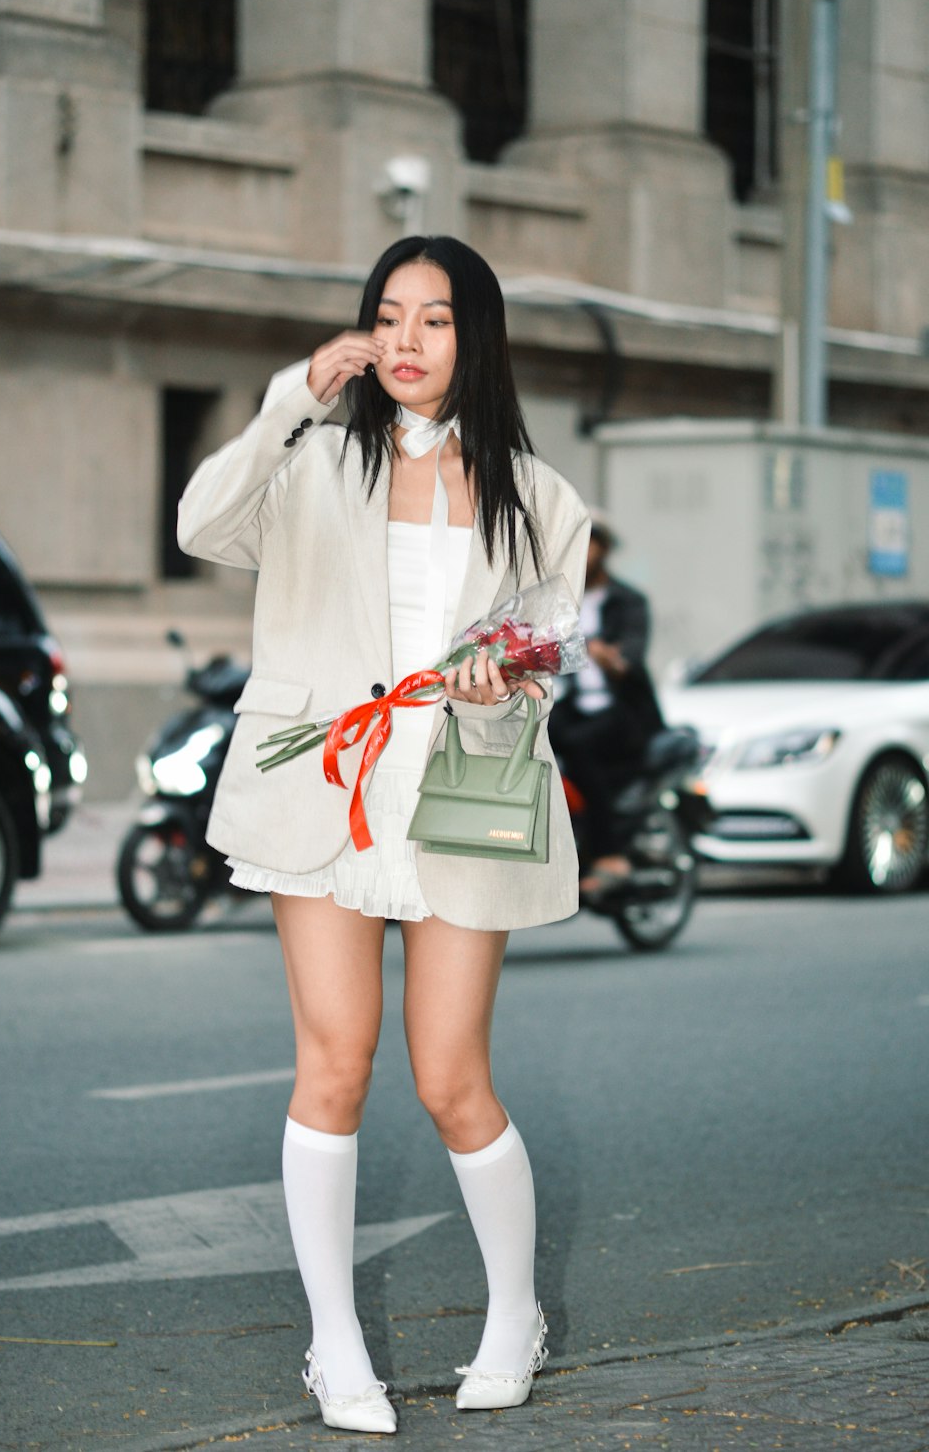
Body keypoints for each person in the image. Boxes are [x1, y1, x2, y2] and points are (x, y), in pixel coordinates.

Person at [177, 235, 589, 1435]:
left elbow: (546, 649)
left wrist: (506, 683)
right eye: (389, 316)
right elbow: (203, 523)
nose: (407, 341)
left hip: (453, 800)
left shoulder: (536, 494)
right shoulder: (308, 463)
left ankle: (514, 1309)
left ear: (476, 338)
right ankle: (334, 1343)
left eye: (437, 319)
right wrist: (287, 399)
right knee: (335, 1063)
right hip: (323, 786)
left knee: (452, 1076)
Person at [548, 511, 664, 899]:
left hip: (622, 713)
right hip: (572, 706)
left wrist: (604, 654)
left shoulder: (627, 601)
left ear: (605, 548)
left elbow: (628, 659)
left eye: (590, 542)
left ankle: (609, 853)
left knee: (580, 748)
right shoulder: (559, 601)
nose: (582, 551)